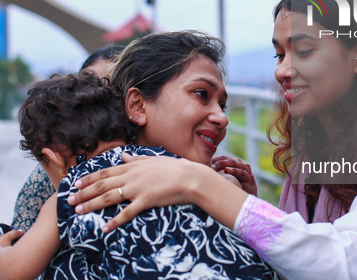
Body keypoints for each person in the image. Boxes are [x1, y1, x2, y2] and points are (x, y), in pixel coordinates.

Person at [67, 0, 357, 279]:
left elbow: (352, 266)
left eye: (303, 51)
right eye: (279, 53)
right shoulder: (315, 143)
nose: (283, 70)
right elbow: (299, 258)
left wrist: (205, 186)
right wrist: (254, 207)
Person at [0, 33, 273, 280]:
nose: (222, 118)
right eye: (201, 94)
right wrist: (240, 202)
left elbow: (13, 270)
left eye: (222, 105)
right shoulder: (211, 181)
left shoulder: (73, 191)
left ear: (54, 157)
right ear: (136, 105)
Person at [11, 45, 124, 232]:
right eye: (92, 87)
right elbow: (20, 233)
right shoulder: (42, 182)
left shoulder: (156, 161)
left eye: (114, 90)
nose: (105, 100)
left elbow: (18, 259)